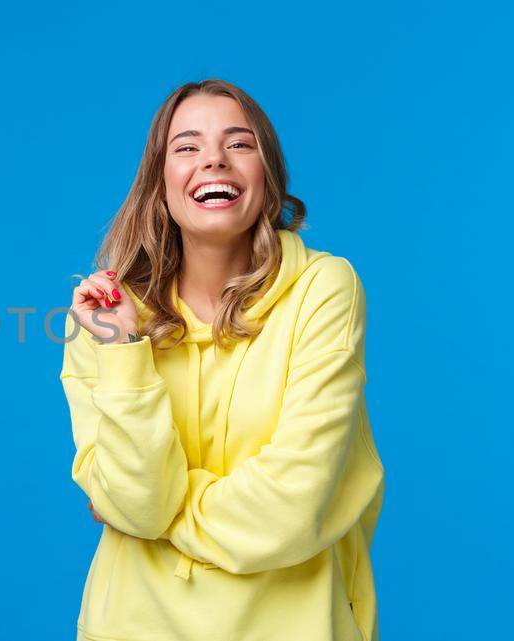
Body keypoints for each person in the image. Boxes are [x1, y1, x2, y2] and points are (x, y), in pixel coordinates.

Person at [60, 78, 385, 641]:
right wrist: (125, 353)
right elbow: (136, 507)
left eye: (239, 144)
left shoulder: (324, 290)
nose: (214, 159)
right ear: (159, 183)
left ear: (268, 174)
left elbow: (291, 509)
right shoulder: (105, 314)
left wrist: (161, 515)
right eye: (187, 147)